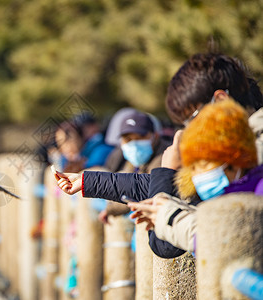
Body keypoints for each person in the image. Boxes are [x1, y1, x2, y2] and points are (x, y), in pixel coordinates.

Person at [54, 52, 263, 258]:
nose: (188, 131)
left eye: (192, 119)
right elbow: (157, 186)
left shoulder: (248, 156)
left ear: (220, 100)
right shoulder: (238, 150)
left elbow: (165, 244)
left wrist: (167, 180)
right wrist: (88, 181)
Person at [127, 100, 262, 253]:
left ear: (234, 160)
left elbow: (223, 241)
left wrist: (169, 216)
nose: (197, 175)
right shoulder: (234, 192)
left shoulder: (258, 192)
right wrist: (173, 207)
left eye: (203, 164)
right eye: (192, 167)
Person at [97, 110, 170, 222]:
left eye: (140, 137)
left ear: (155, 136)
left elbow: (140, 190)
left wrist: (111, 209)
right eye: (128, 139)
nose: (134, 143)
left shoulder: (164, 157)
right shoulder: (132, 161)